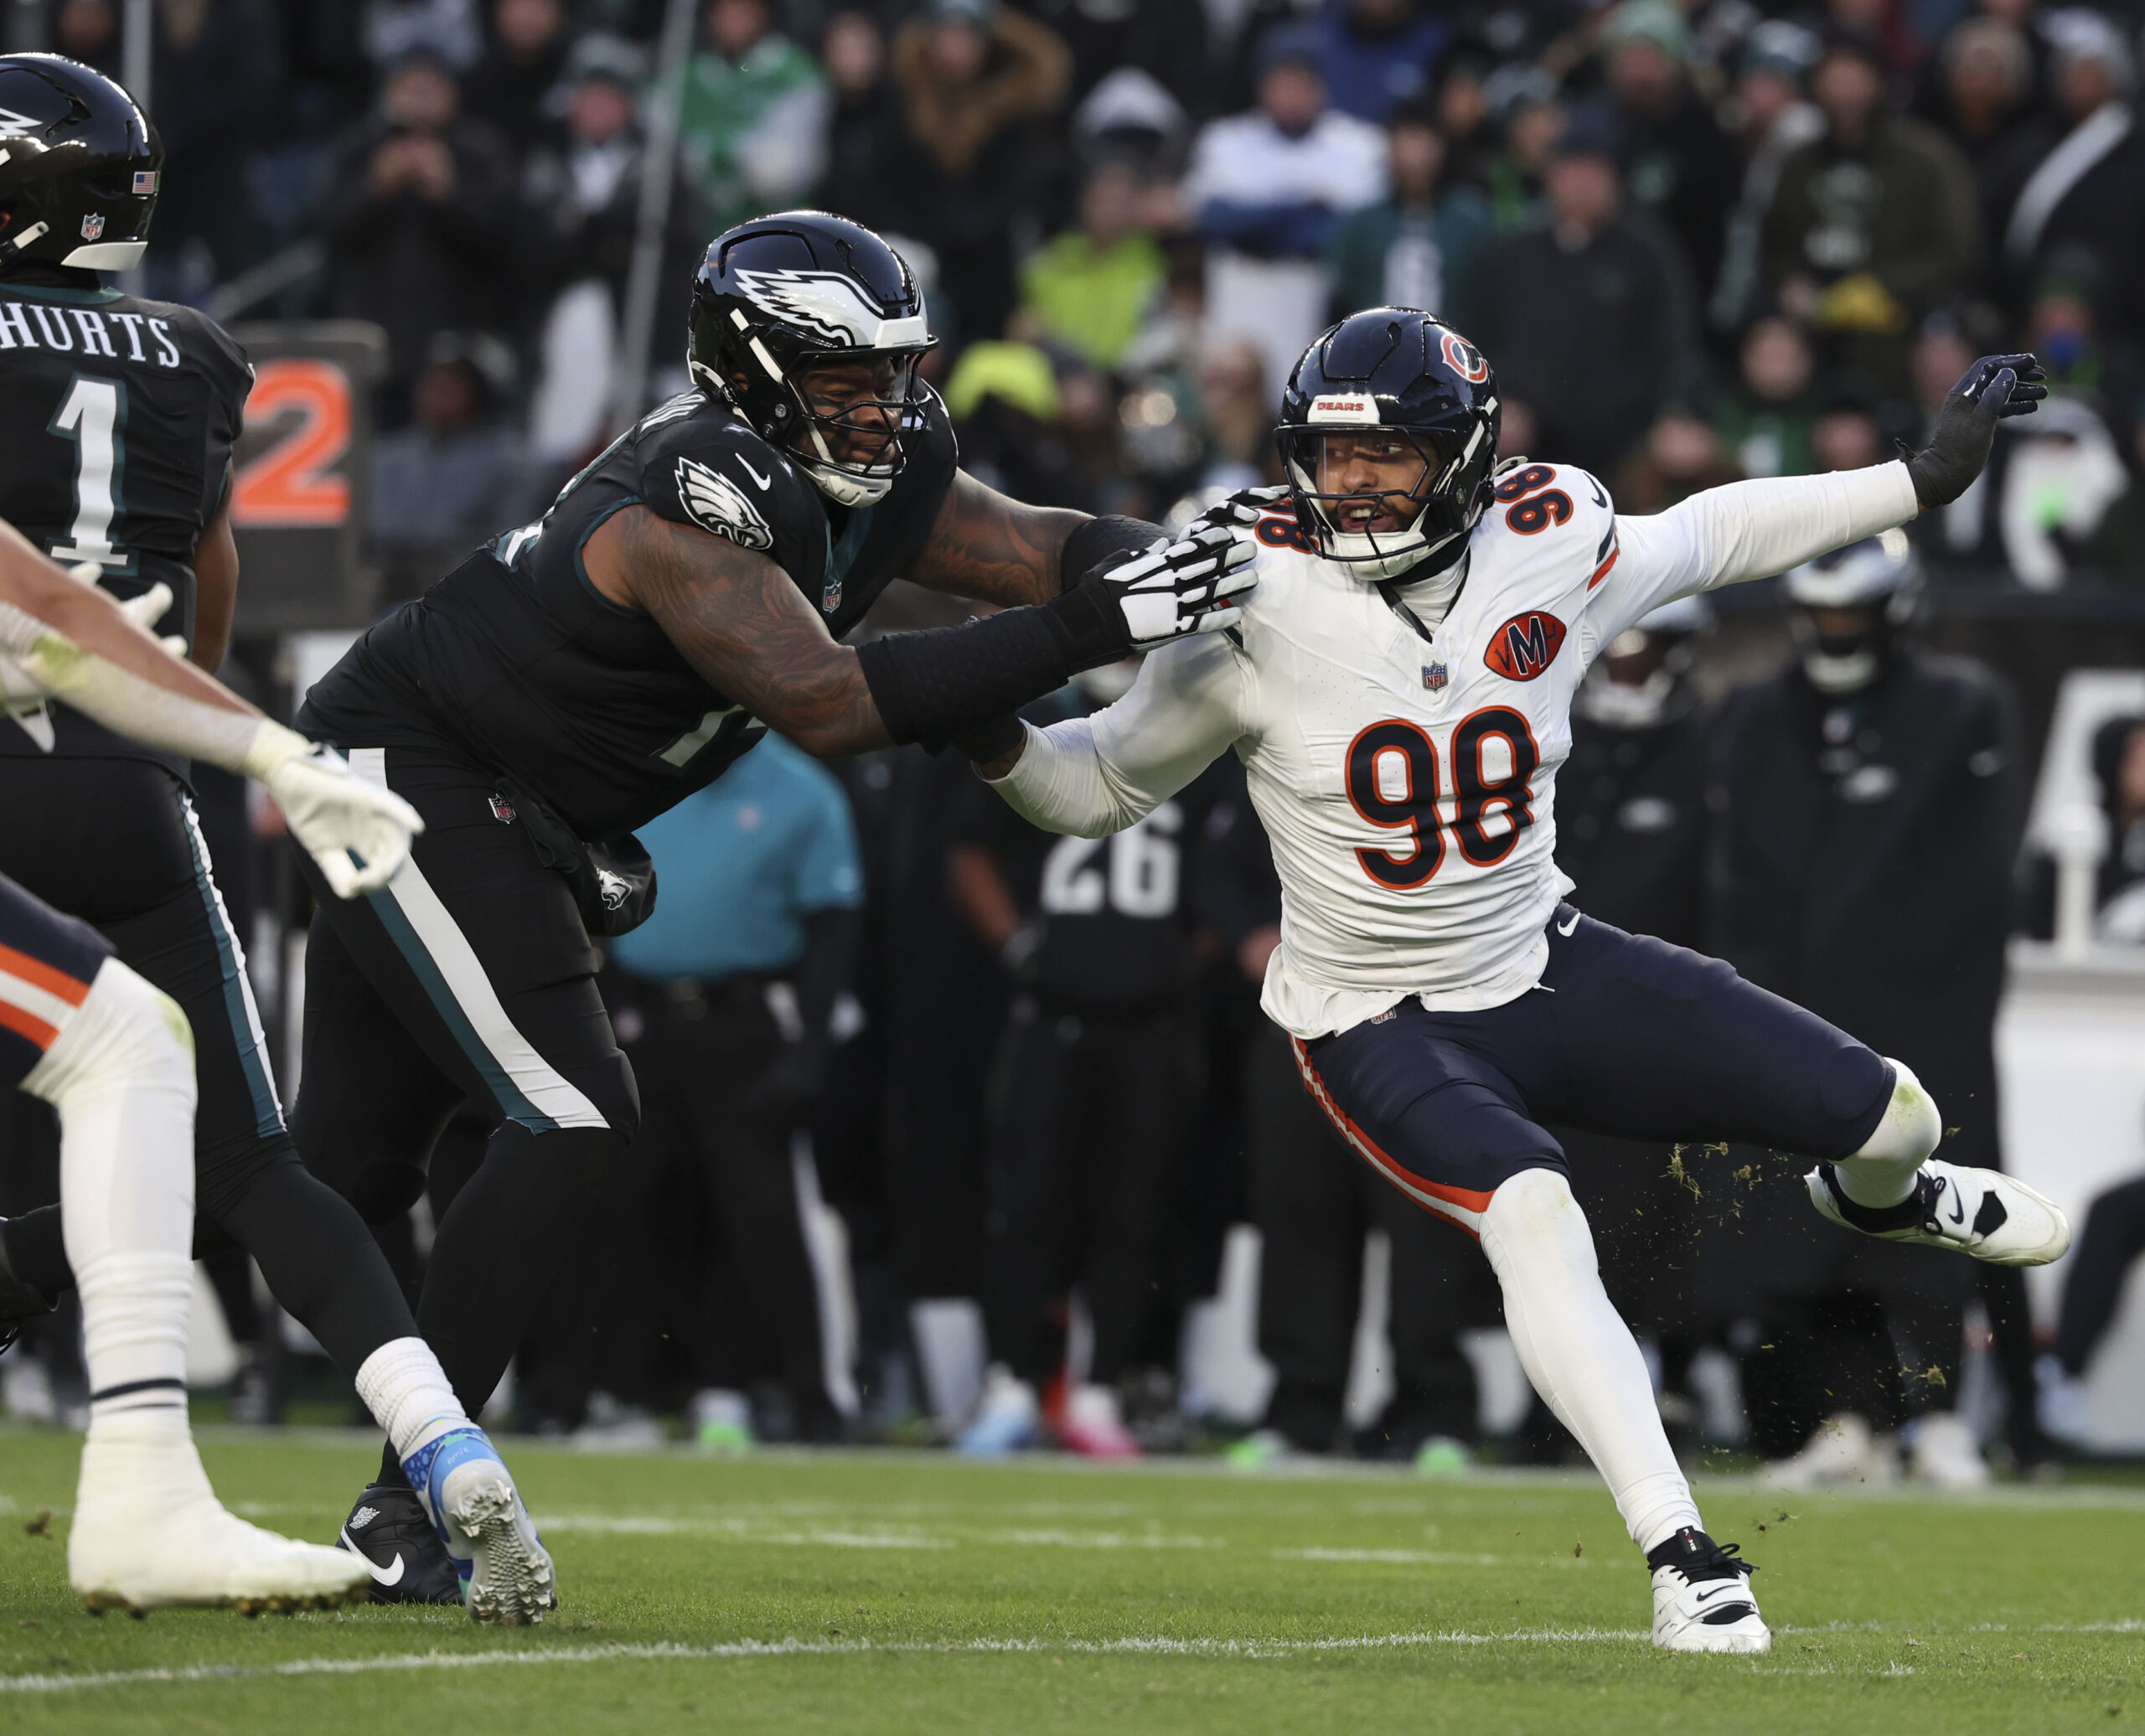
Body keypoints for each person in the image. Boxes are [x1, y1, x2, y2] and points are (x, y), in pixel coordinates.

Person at [964, 304, 2064, 1653]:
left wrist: (1920, 479)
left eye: (1391, 456)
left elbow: (1716, 534)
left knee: (1901, 1118)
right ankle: (1683, 1554)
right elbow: (1095, 791)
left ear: (1469, 457)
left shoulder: (1552, 541)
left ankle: (1875, 1197)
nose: (1354, 484)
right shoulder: (1248, 596)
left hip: (1544, 958)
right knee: (1536, 1212)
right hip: (1375, 1016)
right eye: (1332, 454)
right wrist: (991, 729)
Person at [283, 210, 1255, 1590]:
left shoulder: (886, 463)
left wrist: (1199, 566)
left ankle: (24, 1278)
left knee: (331, 1174)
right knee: (571, 1112)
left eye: (895, 372)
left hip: (515, 803)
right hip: (412, 769)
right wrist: (1109, 622)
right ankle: (415, 1498)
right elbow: (833, 703)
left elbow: (1038, 547)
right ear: (752, 369)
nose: (885, 406)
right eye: (847, 378)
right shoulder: (694, 492)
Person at [0, 53, 552, 1624]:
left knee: (120, 1084)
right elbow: (213, 577)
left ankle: (142, 1468)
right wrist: (211, 720)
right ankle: (439, 1441)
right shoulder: (193, 353)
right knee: (241, 1154)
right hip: (138, 773)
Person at [1706, 532, 2041, 1485]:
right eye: (1820, 614)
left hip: (1925, 1016)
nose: (1834, 631)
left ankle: (1945, 1419)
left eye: (1851, 613)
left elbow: (1978, 880)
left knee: (1941, 1214)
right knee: (1805, 1224)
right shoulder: (1754, 715)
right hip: (1796, 1019)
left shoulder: (1963, 706)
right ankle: (1844, 1421)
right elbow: (1741, 876)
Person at [948, 667, 1223, 1459]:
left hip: (1151, 1023)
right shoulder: (1046, 726)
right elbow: (970, 852)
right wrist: (1020, 948)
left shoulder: (1201, 732)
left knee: (1131, 1214)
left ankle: (1100, 1387)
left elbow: (1246, 864)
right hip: (1053, 1014)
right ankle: (1011, 1381)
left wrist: (1184, 959)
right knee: (1026, 1206)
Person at [600, 732, 866, 1448]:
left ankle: (806, 1395)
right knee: (632, 1208)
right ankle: (624, 1390)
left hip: (744, 1022)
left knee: (762, 1217)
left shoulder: (802, 790)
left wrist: (810, 1050)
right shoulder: (636, 774)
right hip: (641, 1021)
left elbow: (832, 932)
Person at [1469, 111, 1701, 481]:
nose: (1582, 183)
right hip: (1525, 447)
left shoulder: (1648, 254)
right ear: (1551, 176)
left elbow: (1673, 347)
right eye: (1571, 170)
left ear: (1615, 179)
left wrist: (1674, 413)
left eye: (1595, 172)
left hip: (1624, 446)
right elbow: (1476, 343)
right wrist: (1501, 407)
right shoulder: (1510, 255)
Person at [1761, 28, 1981, 401]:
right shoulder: (1800, 161)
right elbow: (1775, 243)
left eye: (1855, 76)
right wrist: (1791, 284)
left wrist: (1882, 286)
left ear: (1880, 82)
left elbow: (1958, 248)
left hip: (1904, 333)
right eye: (1833, 77)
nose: (1844, 90)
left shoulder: (1927, 158)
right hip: (1814, 338)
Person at [1184, 23, 1387, 407]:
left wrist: (1257, 221)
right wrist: (1303, 207)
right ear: (1262, 85)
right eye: (1282, 80)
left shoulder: (1358, 145)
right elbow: (1211, 219)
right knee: (1230, 400)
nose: (1291, 93)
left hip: (1310, 288)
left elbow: (1342, 235)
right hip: (1237, 284)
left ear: (1322, 86)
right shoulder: (1226, 140)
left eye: (1303, 81)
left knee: (1302, 402)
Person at [1327, 101, 1494, 327]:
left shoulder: (1471, 222)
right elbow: (1340, 300)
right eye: (1408, 142)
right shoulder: (1361, 224)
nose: (1417, 157)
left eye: (1426, 144)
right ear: (1390, 148)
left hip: (1453, 353)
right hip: (1372, 353)